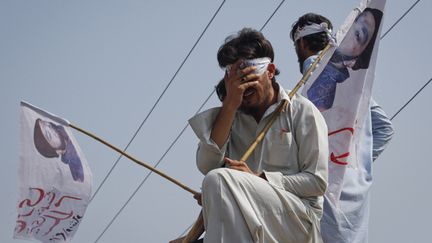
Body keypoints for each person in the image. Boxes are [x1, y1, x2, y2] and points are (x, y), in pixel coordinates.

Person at [186, 28, 329, 243]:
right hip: (249, 215)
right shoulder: (231, 117)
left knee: (219, 180)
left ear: (269, 71)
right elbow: (206, 165)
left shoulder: (301, 111)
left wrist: (259, 179)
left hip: (297, 221)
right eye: (236, 79)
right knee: (216, 184)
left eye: (247, 76)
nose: (243, 87)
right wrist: (230, 104)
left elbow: (317, 182)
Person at [290, 12, 394, 243]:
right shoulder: (351, 81)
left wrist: (333, 165)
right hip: (354, 191)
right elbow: (383, 129)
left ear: (302, 43)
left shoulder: (312, 73)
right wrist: (351, 162)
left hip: (324, 190)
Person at [293, 9, 383, 112]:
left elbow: (322, 113)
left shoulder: (312, 62)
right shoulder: (349, 76)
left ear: (302, 43)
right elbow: (384, 126)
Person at [33, 118, 84, 182]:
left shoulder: (68, 130)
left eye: (48, 125)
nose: (51, 129)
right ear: (58, 151)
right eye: (48, 134)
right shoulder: (75, 169)